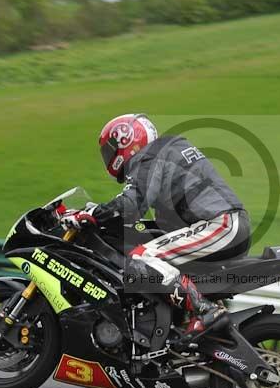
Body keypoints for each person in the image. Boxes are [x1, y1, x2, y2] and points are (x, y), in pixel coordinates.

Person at [61, 113, 251, 338]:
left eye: (110, 150)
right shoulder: (166, 152)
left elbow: (132, 205)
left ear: (126, 141)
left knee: (141, 257)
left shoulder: (150, 156)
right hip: (224, 225)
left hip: (220, 226)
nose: (108, 157)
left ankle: (205, 311)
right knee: (160, 260)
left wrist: (92, 213)